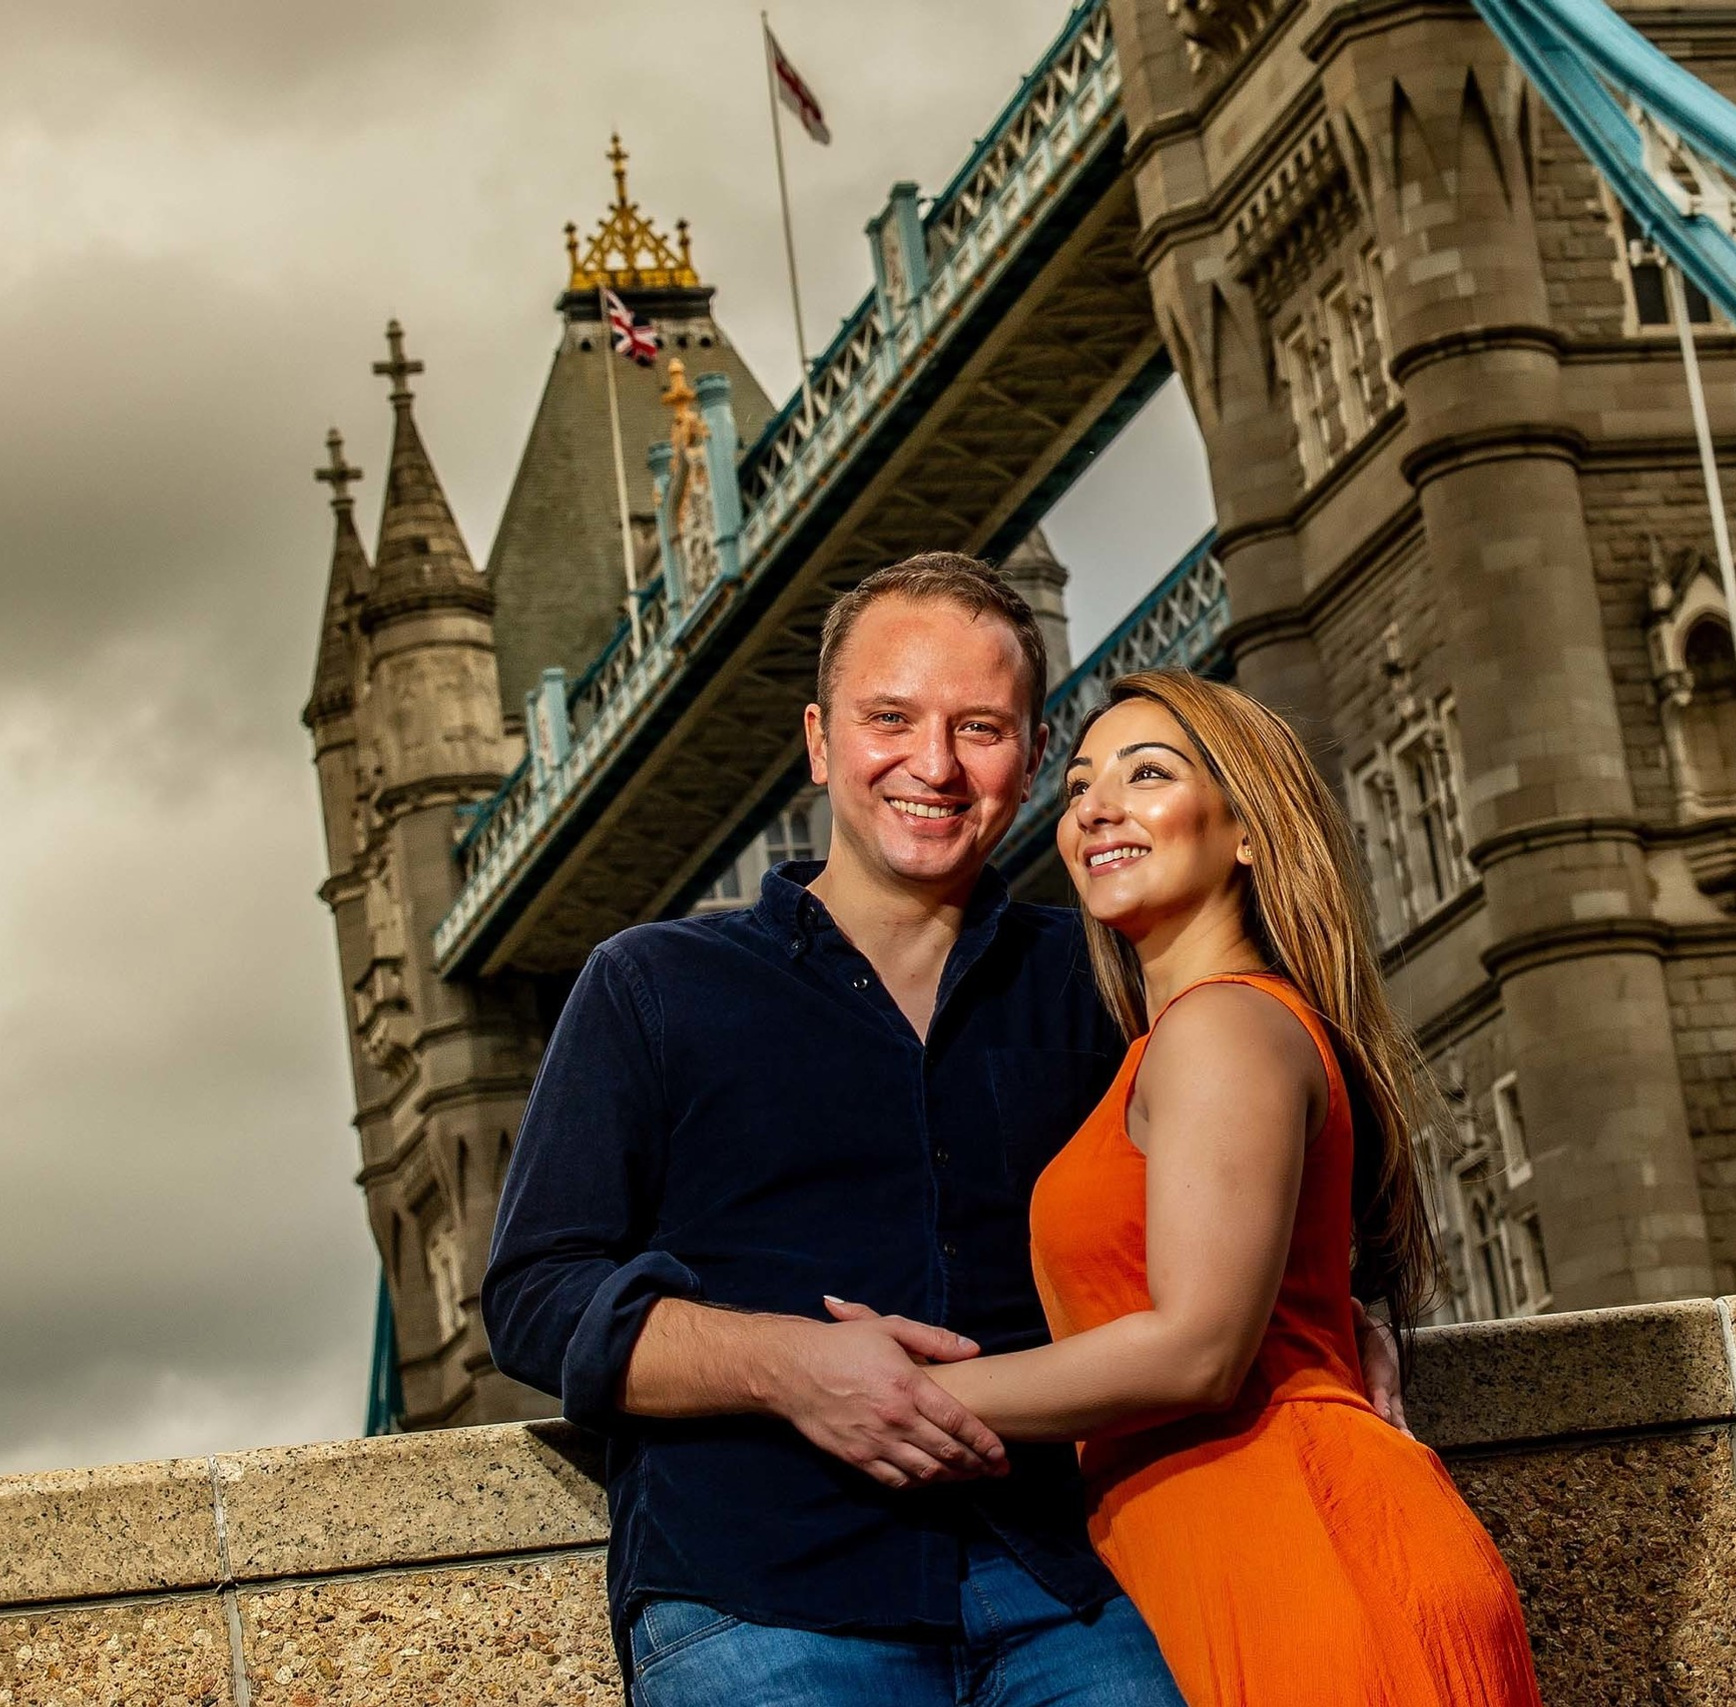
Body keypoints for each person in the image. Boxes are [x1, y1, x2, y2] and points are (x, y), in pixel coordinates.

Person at [484, 555, 1401, 1706]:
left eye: (980, 728)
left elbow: (1265, 1169)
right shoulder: (652, 984)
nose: (933, 764)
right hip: (766, 1588)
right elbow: (535, 1295)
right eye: (889, 718)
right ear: (821, 743)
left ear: (1028, 761)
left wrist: (1334, 1317)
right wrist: (790, 1368)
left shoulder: (1108, 986)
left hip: (1077, 1582)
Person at [882, 668, 1545, 1707]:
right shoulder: (1183, 1040)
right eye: (1079, 787)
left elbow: (1197, 1349)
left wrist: (890, 1398)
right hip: (1233, 1557)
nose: (1095, 805)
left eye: (1147, 774)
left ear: (1246, 830)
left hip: (1297, 1557)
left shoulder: (1222, 1027)